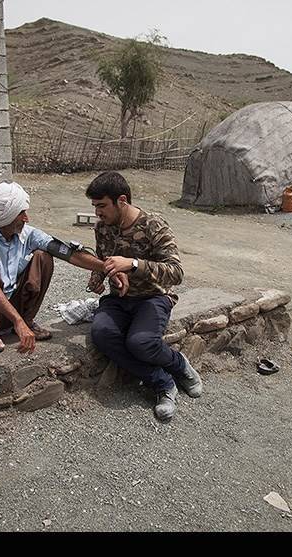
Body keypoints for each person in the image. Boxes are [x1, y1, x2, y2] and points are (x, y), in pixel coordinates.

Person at [0, 181, 127, 355]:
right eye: (21, 213)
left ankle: (27, 319)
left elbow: (67, 253)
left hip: (15, 308)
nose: (26, 218)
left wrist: (107, 267)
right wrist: (17, 321)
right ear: (6, 217)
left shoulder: (27, 234)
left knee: (43, 256)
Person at [86, 172, 202, 422]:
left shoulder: (153, 225)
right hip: (119, 299)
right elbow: (103, 261)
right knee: (102, 334)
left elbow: (176, 272)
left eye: (102, 206)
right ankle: (163, 383)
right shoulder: (103, 228)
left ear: (122, 201)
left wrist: (134, 264)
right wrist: (98, 278)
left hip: (153, 298)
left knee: (140, 342)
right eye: (95, 206)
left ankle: (179, 364)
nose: (97, 213)